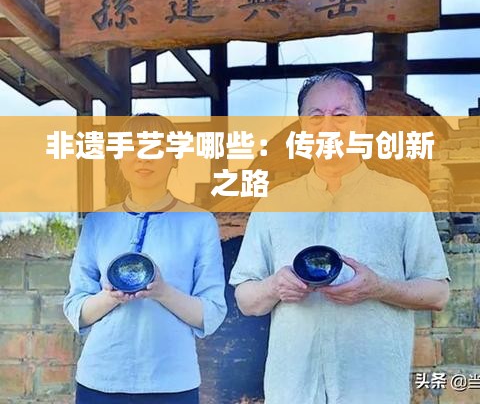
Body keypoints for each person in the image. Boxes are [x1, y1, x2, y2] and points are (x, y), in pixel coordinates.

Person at [229, 69, 450, 404]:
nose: (328, 127)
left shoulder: (405, 199)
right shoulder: (273, 204)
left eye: (341, 115)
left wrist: (379, 287)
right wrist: (274, 286)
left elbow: (438, 293)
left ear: (362, 123)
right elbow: (246, 300)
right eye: (316, 116)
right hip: (293, 392)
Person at [64, 113, 227, 404]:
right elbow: (76, 308)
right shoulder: (97, 222)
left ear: (175, 157)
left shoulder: (200, 222)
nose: (144, 157)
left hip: (172, 383)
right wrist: (110, 297)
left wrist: (163, 292)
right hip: (101, 380)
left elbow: (211, 313)